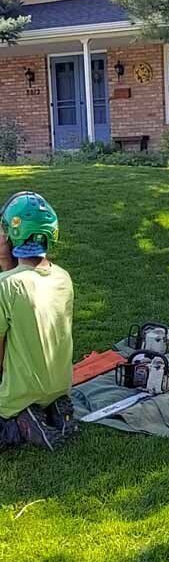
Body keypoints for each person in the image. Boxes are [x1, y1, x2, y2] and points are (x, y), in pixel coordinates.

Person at [0, 191, 75, 452]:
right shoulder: (63, 277)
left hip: (20, 395)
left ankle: (23, 421)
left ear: (11, 235)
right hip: (60, 386)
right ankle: (55, 410)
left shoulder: (5, 286)